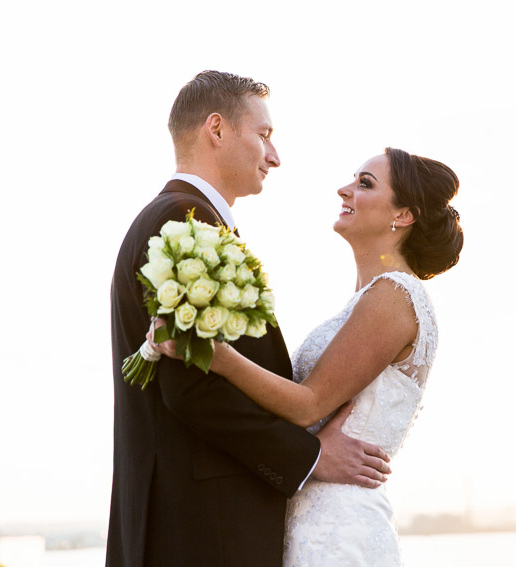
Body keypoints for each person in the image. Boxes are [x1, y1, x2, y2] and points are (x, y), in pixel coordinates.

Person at [107, 70, 392, 567]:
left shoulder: (184, 220)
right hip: (202, 530)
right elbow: (192, 386)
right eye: (264, 136)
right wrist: (309, 456)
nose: (275, 156)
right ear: (215, 129)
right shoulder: (183, 222)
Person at [149, 147, 463, 566]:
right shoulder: (366, 301)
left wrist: (215, 354)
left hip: (339, 529)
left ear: (404, 215)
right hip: (308, 516)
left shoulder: (395, 295)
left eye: (364, 184)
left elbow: (308, 405)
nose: (344, 189)